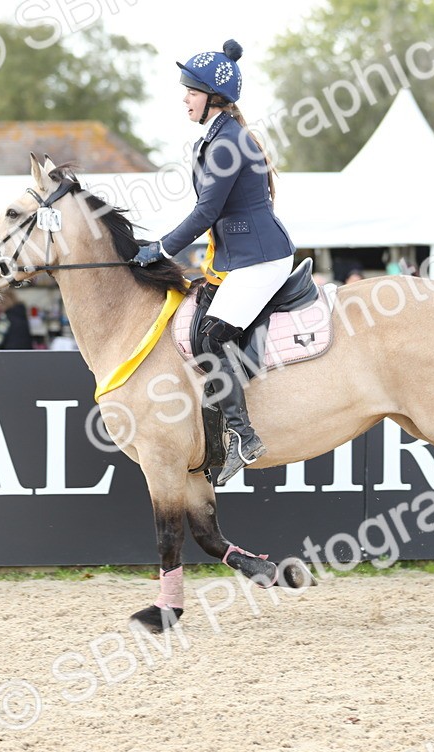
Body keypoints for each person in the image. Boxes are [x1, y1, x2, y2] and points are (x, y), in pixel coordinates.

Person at [131, 39, 295, 485]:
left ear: (213, 99)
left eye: (191, 91)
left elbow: (207, 212)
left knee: (210, 335)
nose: (184, 98)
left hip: (260, 259)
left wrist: (163, 249)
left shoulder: (227, 143)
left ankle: (244, 437)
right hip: (235, 257)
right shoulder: (216, 138)